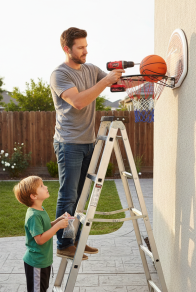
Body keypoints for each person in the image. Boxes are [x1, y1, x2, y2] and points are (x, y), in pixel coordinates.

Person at [50, 27, 125, 259]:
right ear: (67, 49)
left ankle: (78, 240)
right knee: (69, 195)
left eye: (86, 46)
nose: (85, 51)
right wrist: (107, 81)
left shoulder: (91, 69)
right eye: (80, 47)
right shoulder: (59, 75)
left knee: (83, 195)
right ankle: (64, 244)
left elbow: (115, 83)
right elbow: (79, 102)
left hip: (88, 142)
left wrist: (146, 77)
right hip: (69, 143)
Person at [14, 176, 70, 292]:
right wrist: (57, 227)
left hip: (43, 261)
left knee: (42, 288)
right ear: (33, 196)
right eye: (41, 186)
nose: (46, 187)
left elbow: (44, 227)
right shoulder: (33, 216)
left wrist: (57, 221)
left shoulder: (40, 209)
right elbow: (39, 239)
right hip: (36, 263)